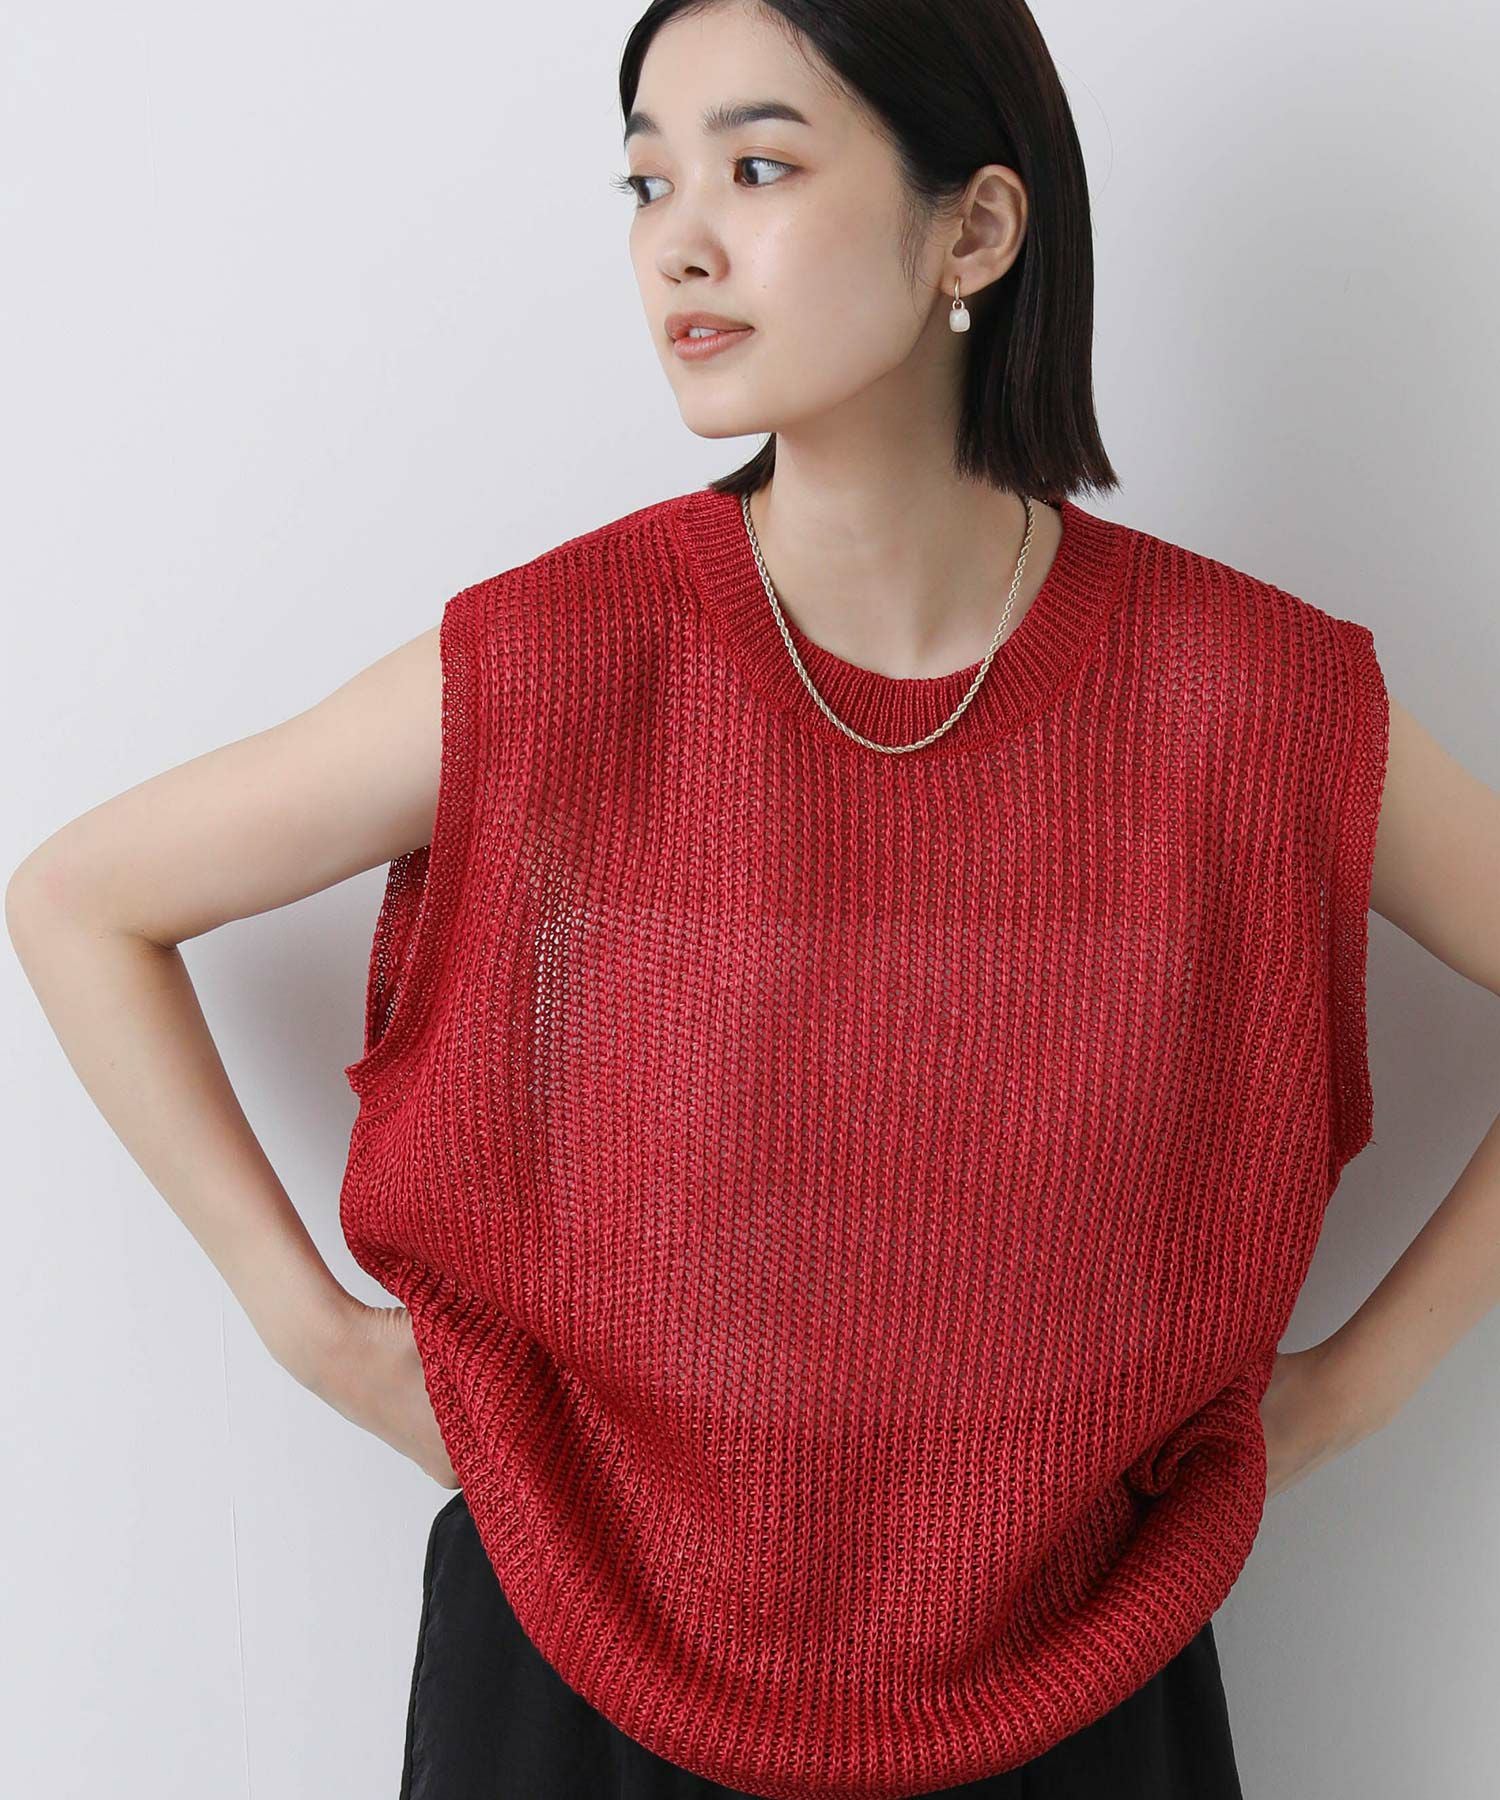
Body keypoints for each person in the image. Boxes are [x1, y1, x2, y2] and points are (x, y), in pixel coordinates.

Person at [9, 1, 1500, 1796]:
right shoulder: (559, 658)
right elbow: (82, 900)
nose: (681, 242)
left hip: (1083, 1671)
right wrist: (318, 1339)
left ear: (976, 230)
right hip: (578, 1664)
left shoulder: (1250, 697)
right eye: (648, 182)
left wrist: (1357, 1388)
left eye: (761, 167)